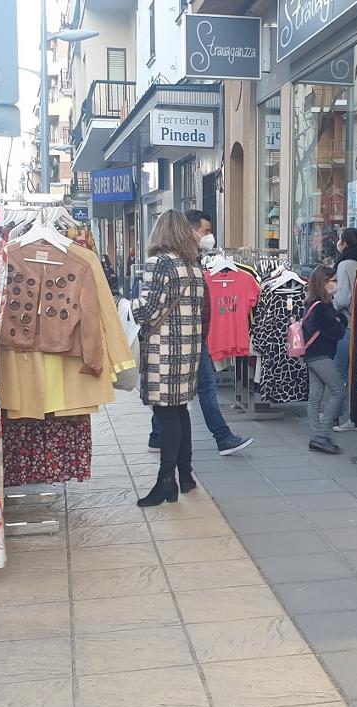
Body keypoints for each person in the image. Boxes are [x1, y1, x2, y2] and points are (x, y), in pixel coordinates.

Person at [146, 209, 254, 456]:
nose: (209, 236)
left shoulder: (191, 259)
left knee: (176, 391)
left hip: (193, 337)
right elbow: (151, 305)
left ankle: (158, 436)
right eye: (205, 231)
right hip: (184, 337)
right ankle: (222, 437)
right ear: (190, 230)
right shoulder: (170, 262)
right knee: (200, 389)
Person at [132, 210, 207, 507]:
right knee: (180, 411)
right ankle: (185, 476)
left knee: (166, 414)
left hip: (164, 350)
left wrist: (126, 305)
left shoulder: (158, 263)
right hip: (188, 350)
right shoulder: (194, 266)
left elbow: (147, 310)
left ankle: (166, 483)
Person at [303, 265, 347, 454]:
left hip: (311, 355)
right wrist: (342, 321)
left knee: (315, 397)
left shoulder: (312, 304)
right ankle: (322, 434)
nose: (336, 284)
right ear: (323, 283)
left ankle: (317, 437)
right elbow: (336, 332)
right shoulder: (322, 307)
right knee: (338, 391)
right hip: (321, 355)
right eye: (333, 281)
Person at [331, 227, 357, 432]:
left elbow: (343, 297)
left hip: (348, 324)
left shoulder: (344, 264)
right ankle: (351, 415)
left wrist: (330, 303)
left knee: (341, 372)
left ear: (344, 243)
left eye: (339, 240)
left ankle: (345, 415)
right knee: (355, 371)